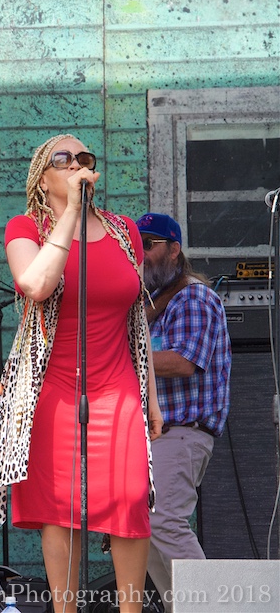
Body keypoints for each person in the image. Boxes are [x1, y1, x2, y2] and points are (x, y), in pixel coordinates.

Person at [0, 134, 163, 613]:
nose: (77, 164)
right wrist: (70, 215)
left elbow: (136, 323)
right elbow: (36, 284)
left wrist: (152, 399)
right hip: (52, 391)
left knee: (131, 498)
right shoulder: (26, 228)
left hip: (118, 387)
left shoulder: (123, 232)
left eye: (84, 158)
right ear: (42, 175)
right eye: (64, 158)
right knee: (62, 510)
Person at [136, 212, 231, 613]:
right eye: (135, 245)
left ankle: (211, 608)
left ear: (175, 250)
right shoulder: (151, 303)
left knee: (164, 525)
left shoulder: (194, 296)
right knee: (146, 534)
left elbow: (183, 362)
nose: (140, 253)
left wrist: (124, 357)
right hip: (156, 435)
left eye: (150, 244)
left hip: (181, 433)